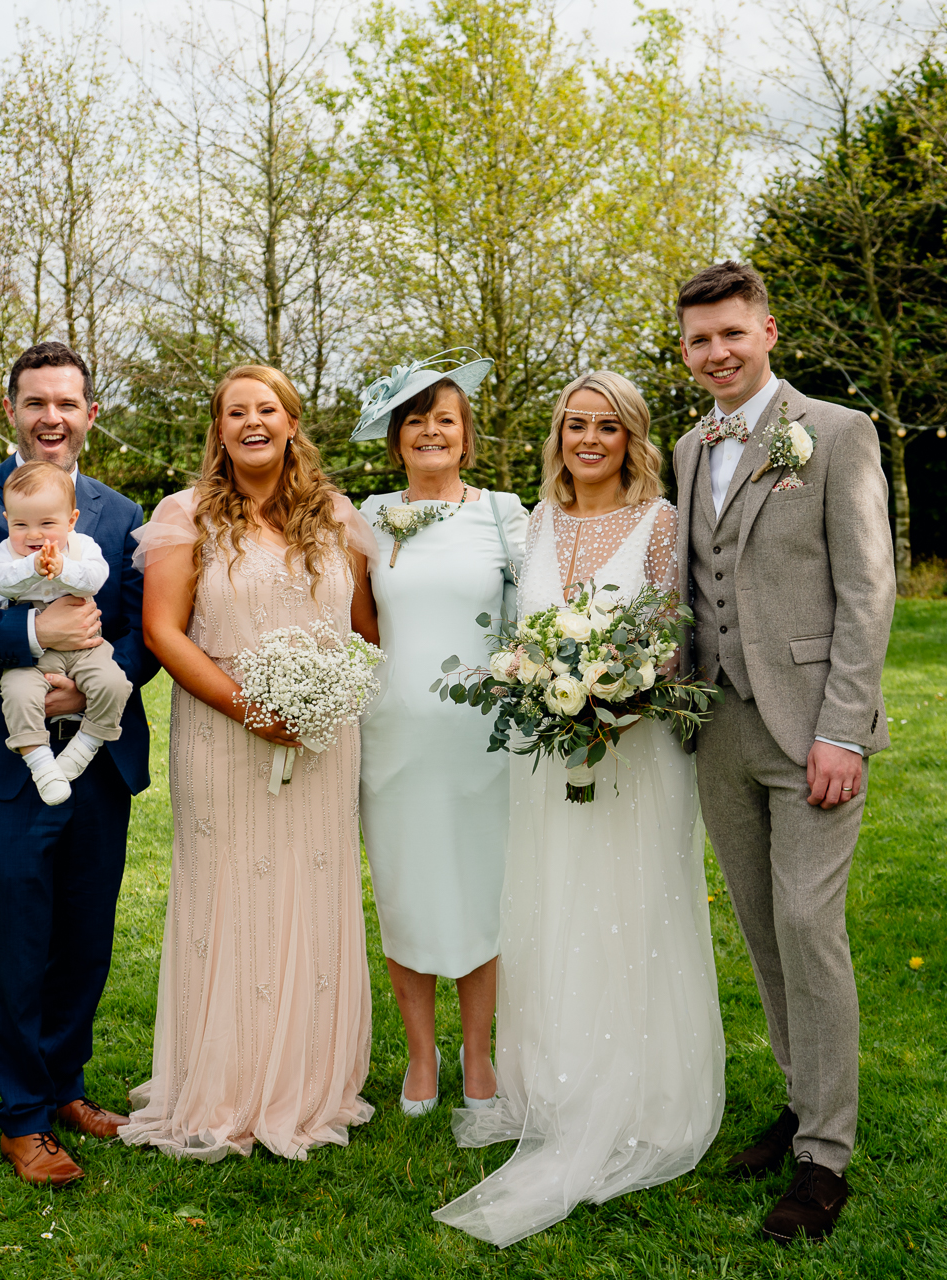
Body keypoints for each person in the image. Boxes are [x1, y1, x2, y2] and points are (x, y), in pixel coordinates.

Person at [433, 371, 723, 1247]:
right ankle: (556, 1079)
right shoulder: (538, 521)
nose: (588, 440)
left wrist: (619, 697)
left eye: (606, 428)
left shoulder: (660, 522)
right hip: (545, 755)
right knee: (552, 906)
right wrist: (538, 688)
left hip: (635, 755)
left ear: (632, 439)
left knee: (634, 907)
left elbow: (675, 639)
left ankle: (639, 1091)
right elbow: (521, 637)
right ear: (557, 435)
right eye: (574, 425)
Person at [671, 261, 895, 1243]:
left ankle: (827, 1158)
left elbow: (869, 589)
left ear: (769, 330)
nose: (716, 353)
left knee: (810, 923)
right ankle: (803, 1101)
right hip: (716, 724)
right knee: (762, 926)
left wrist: (842, 728)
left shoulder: (838, 433)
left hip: (812, 726)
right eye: (698, 340)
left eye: (731, 334)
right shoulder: (689, 446)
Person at [122, 364, 381, 1162]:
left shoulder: (338, 518)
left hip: (323, 738)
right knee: (229, 890)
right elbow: (165, 634)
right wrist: (251, 707)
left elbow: (366, 632)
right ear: (219, 431)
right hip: (221, 730)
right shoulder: (184, 516)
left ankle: (310, 1079)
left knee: (313, 883)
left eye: (266, 408)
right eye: (236, 412)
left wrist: (324, 698)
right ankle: (226, 1080)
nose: (252, 421)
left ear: (292, 422)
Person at [0, 341, 160, 1187]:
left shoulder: (123, 514)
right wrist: (32, 638)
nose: (51, 417)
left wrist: (89, 687)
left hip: (97, 762)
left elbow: (141, 630)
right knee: (18, 943)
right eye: (35, 403)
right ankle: (20, 1116)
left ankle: (65, 1087)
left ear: (91, 415)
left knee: (85, 939)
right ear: (14, 411)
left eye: (67, 403)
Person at [348, 353, 527, 1117]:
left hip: (487, 740)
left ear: (466, 435)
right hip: (396, 738)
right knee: (407, 890)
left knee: (485, 893)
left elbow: (534, 620)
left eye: (444, 419)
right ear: (397, 440)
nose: (430, 431)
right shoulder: (368, 516)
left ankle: (479, 1055)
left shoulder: (504, 513)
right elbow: (360, 623)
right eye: (415, 420)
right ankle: (421, 1058)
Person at [0, 460, 133, 804]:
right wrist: (30, 568)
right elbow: (0, 583)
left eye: (47, 524)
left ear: (71, 521)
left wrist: (63, 569)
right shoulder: (3, 554)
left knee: (113, 684)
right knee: (18, 694)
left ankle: (87, 742)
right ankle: (40, 763)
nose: (34, 535)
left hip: (86, 645)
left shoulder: (83, 548)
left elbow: (96, 579)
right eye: (21, 524)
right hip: (31, 654)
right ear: (7, 520)